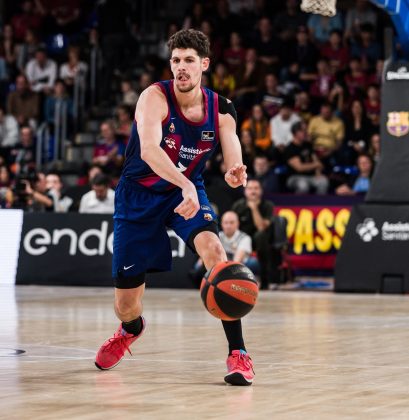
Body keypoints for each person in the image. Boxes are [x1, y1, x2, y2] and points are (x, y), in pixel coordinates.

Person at [94, 29, 254, 386]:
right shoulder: (154, 97)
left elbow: (233, 157)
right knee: (125, 305)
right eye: (176, 61)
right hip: (139, 196)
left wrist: (233, 173)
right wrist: (184, 184)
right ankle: (131, 330)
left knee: (216, 253)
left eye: (189, 61)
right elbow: (150, 150)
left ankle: (239, 354)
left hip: (186, 193)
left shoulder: (222, 109)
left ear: (204, 65)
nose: (181, 68)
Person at [232, 179, 273, 291]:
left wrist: (254, 208)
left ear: (261, 191)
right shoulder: (238, 205)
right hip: (241, 241)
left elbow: (261, 227)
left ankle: (265, 279)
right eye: (250, 189)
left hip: (260, 242)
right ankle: (230, 277)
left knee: (261, 235)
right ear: (245, 192)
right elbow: (232, 226)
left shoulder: (268, 206)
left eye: (256, 188)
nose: (253, 191)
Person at [284, 121, 329, 194]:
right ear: (297, 132)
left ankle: (319, 204)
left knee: (323, 181)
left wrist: (318, 172)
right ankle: (299, 205)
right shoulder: (290, 149)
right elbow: (300, 168)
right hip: (295, 177)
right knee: (303, 185)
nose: (306, 133)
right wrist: (315, 165)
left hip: (310, 176)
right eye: (304, 131)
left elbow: (317, 162)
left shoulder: (308, 145)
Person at [308, 101, 345, 167]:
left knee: (333, 162)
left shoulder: (339, 123)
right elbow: (309, 137)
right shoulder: (314, 120)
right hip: (315, 150)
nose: (325, 114)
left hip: (331, 151)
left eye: (327, 112)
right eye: (323, 112)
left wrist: (329, 152)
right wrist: (310, 141)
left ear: (332, 112)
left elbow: (339, 143)